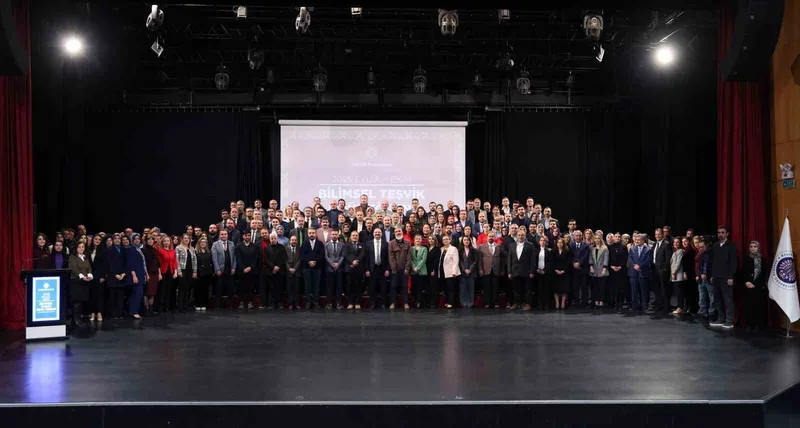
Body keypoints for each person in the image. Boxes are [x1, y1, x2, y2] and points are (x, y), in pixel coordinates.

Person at [710, 226, 737, 329]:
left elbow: (733, 263)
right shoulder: (716, 246)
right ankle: (720, 319)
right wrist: (712, 275)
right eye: (718, 233)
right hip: (716, 277)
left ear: (727, 234)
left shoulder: (731, 246)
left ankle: (729, 321)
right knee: (718, 299)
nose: (720, 234)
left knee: (728, 300)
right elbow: (714, 262)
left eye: (722, 232)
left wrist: (731, 277)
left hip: (726, 278)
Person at [742, 240, 768, 330]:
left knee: (759, 306)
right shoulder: (746, 259)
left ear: (758, 248)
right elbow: (743, 272)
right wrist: (747, 282)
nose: (752, 248)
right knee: (749, 306)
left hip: (759, 287)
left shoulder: (763, 260)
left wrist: (756, 284)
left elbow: (764, 274)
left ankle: (759, 324)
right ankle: (750, 324)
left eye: (755, 246)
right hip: (748, 286)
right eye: (751, 246)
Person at [507, 228, 535, 310]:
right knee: (516, 288)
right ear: (517, 236)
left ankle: (527, 304)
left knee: (527, 289)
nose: (520, 236)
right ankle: (516, 303)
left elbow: (532, 259)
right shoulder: (511, 245)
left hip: (526, 271)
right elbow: (509, 259)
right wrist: (509, 271)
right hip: (515, 271)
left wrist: (531, 271)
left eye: (522, 235)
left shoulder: (530, 245)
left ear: (525, 236)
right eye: (519, 235)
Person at [68, 241, 93, 327]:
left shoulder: (85, 257)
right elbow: (74, 269)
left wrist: (89, 275)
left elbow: (89, 267)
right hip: (76, 281)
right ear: (76, 248)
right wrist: (82, 276)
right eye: (79, 247)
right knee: (77, 301)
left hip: (84, 282)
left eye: (83, 247)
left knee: (82, 301)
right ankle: (76, 320)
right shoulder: (72, 257)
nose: (81, 248)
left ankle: (78, 318)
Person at [211, 230, 237, 310]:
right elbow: (214, 258)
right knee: (219, 287)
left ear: (227, 235)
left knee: (230, 287)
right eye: (222, 234)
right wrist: (217, 269)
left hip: (229, 268)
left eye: (225, 234)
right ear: (219, 235)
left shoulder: (231, 243)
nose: (224, 235)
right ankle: (218, 304)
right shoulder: (215, 244)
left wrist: (233, 267)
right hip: (220, 269)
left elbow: (234, 257)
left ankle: (230, 304)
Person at [235, 230, 260, 310]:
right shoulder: (238, 246)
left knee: (250, 287)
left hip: (252, 270)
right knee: (241, 287)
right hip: (241, 270)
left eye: (249, 235)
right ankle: (241, 302)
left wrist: (250, 267)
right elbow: (238, 259)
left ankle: (250, 302)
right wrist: (243, 268)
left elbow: (256, 258)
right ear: (243, 236)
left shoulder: (255, 246)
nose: (247, 237)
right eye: (246, 235)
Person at [300, 227, 324, 309]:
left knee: (316, 286)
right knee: (307, 285)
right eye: (310, 233)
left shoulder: (320, 244)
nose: (311, 234)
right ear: (308, 234)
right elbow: (302, 255)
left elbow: (321, 255)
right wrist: (309, 262)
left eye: (313, 233)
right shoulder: (304, 243)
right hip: (306, 268)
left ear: (316, 234)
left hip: (317, 268)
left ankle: (316, 302)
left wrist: (315, 262)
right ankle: (308, 302)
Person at [387, 227, 412, 309]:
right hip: (395, 270)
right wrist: (394, 269)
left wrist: (407, 268)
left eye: (399, 231)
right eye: (396, 231)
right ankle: (393, 303)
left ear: (402, 232)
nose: (398, 232)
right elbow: (391, 257)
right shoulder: (391, 243)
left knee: (405, 287)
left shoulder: (408, 243)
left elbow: (409, 256)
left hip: (405, 269)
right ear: (394, 233)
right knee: (393, 286)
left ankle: (405, 303)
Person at [365, 228, 390, 309]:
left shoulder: (386, 244)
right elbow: (366, 258)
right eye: (376, 232)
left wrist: (387, 269)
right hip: (372, 268)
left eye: (379, 232)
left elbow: (388, 258)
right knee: (372, 286)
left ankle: (383, 304)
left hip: (382, 268)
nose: (377, 233)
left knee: (383, 287)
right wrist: (367, 269)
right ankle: (372, 303)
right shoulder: (368, 244)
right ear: (373, 233)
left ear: (381, 234)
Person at [105, 234, 128, 319]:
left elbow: (126, 263)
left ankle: (119, 313)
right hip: (112, 277)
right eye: (116, 238)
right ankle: (112, 314)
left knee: (120, 297)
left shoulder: (123, 249)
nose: (117, 240)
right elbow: (109, 264)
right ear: (113, 240)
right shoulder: (109, 250)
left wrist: (123, 273)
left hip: (122, 277)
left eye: (119, 238)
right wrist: (115, 274)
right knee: (112, 297)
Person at [478, 231, 502, 309]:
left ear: (494, 237)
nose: (491, 238)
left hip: (496, 269)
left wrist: (501, 270)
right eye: (489, 236)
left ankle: (495, 302)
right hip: (486, 269)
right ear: (487, 237)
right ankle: (487, 303)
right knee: (486, 287)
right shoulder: (481, 246)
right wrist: (480, 269)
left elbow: (501, 259)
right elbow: (479, 259)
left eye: (492, 236)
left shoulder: (498, 246)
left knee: (496, 287)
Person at [627, 235, 651, 312]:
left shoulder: (648, 249)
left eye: (638, 240)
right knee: (634, 290)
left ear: (643, 241)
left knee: (644, 290)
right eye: (636, 239)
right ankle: (634, 305)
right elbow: (630, 258)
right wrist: (635, 265)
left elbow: (648, 260)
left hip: (643, 272)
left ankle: (644, 305)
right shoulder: (632, 249)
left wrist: (639, 265)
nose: (636, 241)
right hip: (633, 273)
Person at [174, 234, 198, 312]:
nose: (186, 239)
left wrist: (194, 271)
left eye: (188, 238)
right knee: (181, 289)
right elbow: (176, 260)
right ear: (182, 239)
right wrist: (179, 271)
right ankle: (180, 307)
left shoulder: (192, 248)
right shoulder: (178, 248)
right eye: (185, 238)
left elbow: (194, 261)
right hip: (183, 269)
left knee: (187, 289)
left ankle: (185, 306)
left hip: (190, 270)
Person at [125, 234, 147, 319]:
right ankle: (134, 311)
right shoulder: (131, 249)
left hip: (141, 274)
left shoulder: (139, 249)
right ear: (132, 240)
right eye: (135, 239)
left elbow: (143, 263)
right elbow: (130, 264)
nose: (137, 240)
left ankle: (132, 311)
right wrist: (134, 275)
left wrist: (146, 274)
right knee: (138, 293)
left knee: (136, 293)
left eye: (138, 239)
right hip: (135, 275)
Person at [343, 231, 365, 310]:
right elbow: (345, 255)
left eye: (356, 235)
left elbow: (362, 254)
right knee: (349, 286)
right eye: (353, 235)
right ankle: (350, 303)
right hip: (349, 268)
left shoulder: (362, 245)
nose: (355, 236)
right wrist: (352, 262)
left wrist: (356, 261)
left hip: (359, 268)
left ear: (358, 237)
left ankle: (357, 302)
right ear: (350, 237)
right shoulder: (346, 245)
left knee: (358, 286)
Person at [324, 229, 345, 310]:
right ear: (330, 235)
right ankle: (329, 303)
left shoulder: (342, 244)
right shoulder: (326, 245)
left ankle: (339, 303)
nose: (334, 236)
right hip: (329, 269)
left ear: (338, 235)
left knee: (339, 287)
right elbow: (326, 256)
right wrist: (332, 264)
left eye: (336, 234)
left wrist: (338, 264)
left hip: (339, 269)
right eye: (333, 234)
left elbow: (343, 256)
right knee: (329, 287)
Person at [569, 230, 590, 308]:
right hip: (574, 269)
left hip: (583, 269)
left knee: (584, 287)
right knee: (575, 287)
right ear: (574, 237)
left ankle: (585, 303)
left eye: (579, 235)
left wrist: (579, 263)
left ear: (582, 236)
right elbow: (569, 256)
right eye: (576, 236)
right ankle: (576, 302)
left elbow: (586, 256)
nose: (578, 237)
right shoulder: (570, 245)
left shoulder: (586, 245)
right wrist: (574, 263)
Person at [695, 239, 715, 321]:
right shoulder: (702, 255)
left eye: (702, 247)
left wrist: (710, 275)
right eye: (699, 247)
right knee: (702, 297)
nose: (700, 249)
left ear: (707, 245)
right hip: (701, 279)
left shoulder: (713, 254)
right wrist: (700, 274)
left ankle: (711, 313)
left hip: (709, 279)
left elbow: (714, 267)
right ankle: (703, 313)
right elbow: (699, 267)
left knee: (712, 298)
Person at [607, 234, 628, 311]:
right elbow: (608, 258)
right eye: (616, 236)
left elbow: (626, 258)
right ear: (614, 238)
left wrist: (620, 266)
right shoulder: (610, 247)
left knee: (621, 288)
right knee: (613, 287)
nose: (617, 238)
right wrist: (611, 266)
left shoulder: (624, 247)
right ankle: (614, 302)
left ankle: (621, 303)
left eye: (619, 237)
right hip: (612, 270)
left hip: (621, 270)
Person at [440, 234, 461, 309]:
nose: (445, 240)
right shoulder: (441, 249)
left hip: (451, 272)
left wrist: (454, 272)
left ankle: (451, 302)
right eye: (444, 239)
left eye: (447, 239)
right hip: (443, 272)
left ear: (450, 240)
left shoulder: (454, 249)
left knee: (451, 288)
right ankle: (447, 301)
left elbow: (456, 261)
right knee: (445, 288)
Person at [88, 234, 105, 321]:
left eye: (99, 239)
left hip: (99, 276)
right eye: (96, 239)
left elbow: (105, 265)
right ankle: (92, 313)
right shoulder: (88, 250)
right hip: (90, 276)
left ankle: (99, 313)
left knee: (99, 295)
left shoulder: (103, 251)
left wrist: (103, 276)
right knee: (91, 295)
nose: (97, 241)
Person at [589, 235, 609, 311]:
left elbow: (606, 259)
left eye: (598, 238)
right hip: (594, 270)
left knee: (602, 287)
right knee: (595, 287)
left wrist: (604, 268)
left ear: (601, 240)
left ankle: (601, 301)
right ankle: (596, 301)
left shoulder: (605, 248)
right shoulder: (592, 248)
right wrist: (591, 267)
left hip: (602, 269)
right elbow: (590, 258)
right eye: (596, 239)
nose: (597, 240)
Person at [142, 235, 160, 315]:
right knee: (146, 292)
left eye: (151, 239)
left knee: (152, 292)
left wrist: (159, 273)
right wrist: (146, 274)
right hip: (147, 273)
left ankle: (151, 310)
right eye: (148, 239)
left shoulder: (155, 250)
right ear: (146, 241)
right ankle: (146, 309)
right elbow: (143, 264)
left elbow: (158, 263)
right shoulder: (143, 250)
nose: (150, 241)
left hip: (154, 273)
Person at [458, 234, 477, 308]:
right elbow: (460, 261)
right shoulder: (459, 250)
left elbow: (475, 261)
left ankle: (470, 303)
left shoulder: (474, 250)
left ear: (470, 241)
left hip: (471, 272)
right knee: (463, 289)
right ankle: (463, 303)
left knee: (471, 288)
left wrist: (470, 269)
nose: (466, 241)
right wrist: (464, 269)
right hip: (462, 272)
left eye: (468, 240)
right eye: (465, 240)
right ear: (462, 241)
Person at [552, 238, 572, 309]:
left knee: (564, 288)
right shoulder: (553, 251)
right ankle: (557, 302)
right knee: (556, 288)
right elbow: (552, 262)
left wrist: (564, 271)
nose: (559, 244)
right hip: (555, 272)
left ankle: (563, 302)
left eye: (561, 243)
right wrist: (555, 270)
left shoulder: (567, 252)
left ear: (563, 244)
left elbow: (569, 263)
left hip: (565, 273)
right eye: (558, 243)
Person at [410, 234, 429, 309]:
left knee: (420, 288)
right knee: (414, 287)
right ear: (414, 240)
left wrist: (417, 268)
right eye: (416, 239)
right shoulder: (411, 248)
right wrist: (413, 267)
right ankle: (415, 301)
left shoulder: (424, 248)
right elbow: (410, 259)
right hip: (413, 271)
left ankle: (419, 302)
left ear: (421, 240)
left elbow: (424, 260)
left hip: (421, 271)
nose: (418, 240)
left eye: (419, 239)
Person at [535, 236, 553, 310]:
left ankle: (547, 304)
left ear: (546, 242)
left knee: (546, 289)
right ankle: (540, 304)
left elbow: (550, 262)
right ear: (539, 242)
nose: (542, 242)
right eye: (541, 240)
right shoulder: (536, 251)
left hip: (546, 272)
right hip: (538, 272)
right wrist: (537, 269)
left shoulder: (549, 250)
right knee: (539, 289)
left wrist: (544, 270)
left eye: (544, 240)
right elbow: (534, 261)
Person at [194, 237, 213, 311]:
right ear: (199, 243)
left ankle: (204, 303)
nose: (203, 243)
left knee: (205, 289)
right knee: (199, 289)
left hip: (207, 273)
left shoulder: (208, 252)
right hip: (199, 273)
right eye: (201, 242)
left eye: (204, 242)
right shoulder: (196, 252)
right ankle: (197, 304)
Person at [669, 238, 686, 315]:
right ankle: (679, 306)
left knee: (679, 292)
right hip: (675, 274)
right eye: (674, 242)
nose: (675, 243)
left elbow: (678, 263)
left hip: (678, 274)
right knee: (677, 291)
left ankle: (680, 307)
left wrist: (673, 273)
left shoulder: (680, 251)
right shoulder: (675, 251)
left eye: (677, 242)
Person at [285, 235, 302, 310]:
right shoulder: (286, 248)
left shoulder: (299, 249)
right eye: (292, 240)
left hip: (297, 271)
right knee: (289, 288)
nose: (294, 241)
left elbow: (300, 260)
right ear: (290, 241)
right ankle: (290, 304)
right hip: (288, 272)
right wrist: (289, 268)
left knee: (297, 289)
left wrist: (294, 268)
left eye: (295, 240)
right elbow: (284, 260)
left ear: (297, 241)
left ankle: (297, 303)